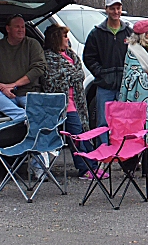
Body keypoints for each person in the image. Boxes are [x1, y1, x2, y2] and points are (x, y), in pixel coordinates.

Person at [42, 25, 107, 181]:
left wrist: (71, 75)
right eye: (64, 36)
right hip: (64, 104)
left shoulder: (71, 55)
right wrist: (72, 76)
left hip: (77, 101)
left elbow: (79, 74)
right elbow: (51, 80)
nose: (67, 39)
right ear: (56, 39)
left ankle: (93, 166)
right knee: (76, 136)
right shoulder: (49, 58)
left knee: (84, 134)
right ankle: (84, 168)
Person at [119, 19, 148, 179]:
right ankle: (130, 164)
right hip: (138, 99)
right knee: (137, 132)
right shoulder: (133, 50)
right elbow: (132, 75)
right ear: (144, 35)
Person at [83, 0, 133, 144]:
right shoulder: (96, 33)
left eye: (118, 8)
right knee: (103, 123)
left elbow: (136, 55)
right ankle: (103, 152)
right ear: (106, 9)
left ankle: (122, 153)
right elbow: (88, 57)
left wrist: (129, 75)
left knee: (124, 122)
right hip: (105, 86)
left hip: (124, 86)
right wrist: (100, 73)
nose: (116, 11)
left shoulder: (129, 32)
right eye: (112, 8)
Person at [0, 14, 46, 122]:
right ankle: (22, 116)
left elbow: (39, 68)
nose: (21, 30)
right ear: (8, 29)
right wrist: (2, 88)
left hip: (28, 93)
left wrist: (14, 84)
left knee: (42, 116)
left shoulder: (32, 44)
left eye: (23, 27)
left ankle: (24, 117)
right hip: (5, 95)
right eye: (17, 27)